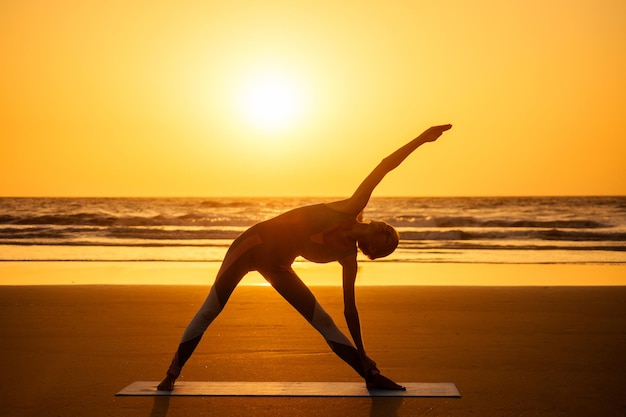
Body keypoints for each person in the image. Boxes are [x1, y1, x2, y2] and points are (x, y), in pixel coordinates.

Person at [157, 124, 452, 391]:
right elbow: (385, 166)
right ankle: (171, 374)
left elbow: (350, 311)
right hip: (251, 244)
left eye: (388, 238)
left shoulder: (348, 257)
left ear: (372, 250)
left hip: (278, 266)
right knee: (210, 310)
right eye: (390, 228)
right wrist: (422, 139)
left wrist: (362, 353)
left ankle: (370, 375)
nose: (387, 229)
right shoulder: (351, 207)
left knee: (323, 321)